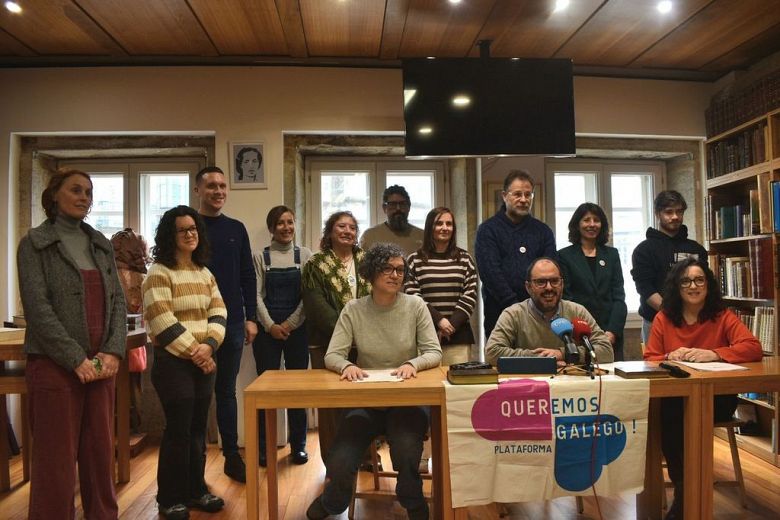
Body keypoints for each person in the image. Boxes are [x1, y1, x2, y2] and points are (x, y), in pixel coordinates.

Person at [17, 168, 127, 520]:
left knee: (99, 457)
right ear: (54, 195)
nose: (84, 197)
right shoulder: (35, 244)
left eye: (88, 192)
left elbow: (118, 301)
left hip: (101, 366)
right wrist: (74, 358)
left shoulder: (100, 244)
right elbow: (38, 309)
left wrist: (113, 351)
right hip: (54, 367)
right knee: (55, 463)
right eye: (76, 190)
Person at [306, 243, 442, 520]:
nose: (395, 275)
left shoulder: (415, 306)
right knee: (341, 458)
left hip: (406, 401)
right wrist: (347, 366)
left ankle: (412, 499)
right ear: (371, 272)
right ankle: (334, 501)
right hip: (366, 401)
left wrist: (412, 364)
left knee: (407, 451)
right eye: (387, 269)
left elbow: (434, 352)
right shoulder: (353, 309)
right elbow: (333, 355)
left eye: (400, 270)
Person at [643, 258, 762, 520]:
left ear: (708, 285)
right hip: (676, 399)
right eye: (686, 281)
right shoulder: (664, 317)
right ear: (677, 286)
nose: (693, 286)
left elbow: (753, 347)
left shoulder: (722, 315)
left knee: (675, 414)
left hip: (716, 398)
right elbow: (650, 358)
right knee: (673, 411)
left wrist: (715, 354)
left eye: (699, 280)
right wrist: (669, 356)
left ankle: (685, 495)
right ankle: (686, 490)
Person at [143, 205, 227, 520]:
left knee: (197, 430)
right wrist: (198, 352)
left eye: (193, 229)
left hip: (202, 359)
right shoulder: (159, 272)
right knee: (178, 430)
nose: (190, 234)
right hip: (173, 363)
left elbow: (219, 312)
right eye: (182, 230)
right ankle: (169, 498)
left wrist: (209, 346)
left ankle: (196, 490)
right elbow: (162, 320)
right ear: (170, 235)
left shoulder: (204, 272)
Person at [194, 166, 258, 482]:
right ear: (198, 190)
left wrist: (250, 317)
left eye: (222, 186)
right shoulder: (189, 227)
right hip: (195, 324)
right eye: (211, 186)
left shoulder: (236, 228)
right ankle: (195, 464)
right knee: (196, 395)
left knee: (226, 392)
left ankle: (232, 456)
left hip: (232, 322)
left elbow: (247, 274)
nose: (218, 191)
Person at [302, 211, 371, 464]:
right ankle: (333, 462)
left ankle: (366, 457)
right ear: (330, 231)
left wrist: (364, 336)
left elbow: (378, 300)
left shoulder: (367, 262)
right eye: (341, 226)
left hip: (366, 345)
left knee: (363, 402)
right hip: (326, 344)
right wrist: (348, 335)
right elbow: (315, 306)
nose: (347, 231)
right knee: (331, 405)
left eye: (352, 227)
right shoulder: (315, 264)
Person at [252, 205, 312, 466]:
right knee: (265, 390)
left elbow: (309, 296)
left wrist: (289, 323)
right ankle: (264, 448)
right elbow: (255, 295)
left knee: (298, 389)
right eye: (280, 223)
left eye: (290, 222)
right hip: (267, 332)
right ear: (271, 228)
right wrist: (270, 326)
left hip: (298, 330)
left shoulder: (305, 255)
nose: (286, 227)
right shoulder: (260, 257)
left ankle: (299, 446)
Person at [485, 257, 613, 366]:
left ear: (562, 284)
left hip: (570, 384)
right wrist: (543, 359)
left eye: (554, 281)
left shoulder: (577, 311)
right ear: (528, 287)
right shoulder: (513, 314)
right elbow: (492, 353)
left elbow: (606, 351)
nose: (549, 287)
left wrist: (563, 354)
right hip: (529, 384)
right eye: (541, 282)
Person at [475, 169, 556, 338]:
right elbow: (490, 273)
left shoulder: (543, 231)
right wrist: (516, 308)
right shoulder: (488, 230)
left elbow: (550, 270)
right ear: (505, 196)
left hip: (539, 314)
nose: (524, 199)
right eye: (518, 194)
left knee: (540, 354)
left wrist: (533, 307)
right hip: (500, 314)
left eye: (528, 195)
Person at [631, 190, 708, 344]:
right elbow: (645, 288)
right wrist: (671, 314)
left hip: (694, 322)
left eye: (679, 211)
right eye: (669, 212)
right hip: (655, 321)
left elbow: (704, 283)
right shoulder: (643, 250)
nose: (675, 216)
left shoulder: (697, 249)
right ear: (657, 214)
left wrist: (690, 316)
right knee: (656, 360)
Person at [405, 206, 478, 365]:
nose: (445, 228)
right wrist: (439, 321)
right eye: (439, 223)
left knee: (458, 381)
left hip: (458, 336)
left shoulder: (465, 259)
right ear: (429, 227)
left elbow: (470, 295)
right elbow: (413, 296)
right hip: (424, 335)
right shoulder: (414, 260)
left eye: (449, 224)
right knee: (427, 381)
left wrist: (450, 326)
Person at [558, 203, 627, 360]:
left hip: (610, 333)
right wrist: (582, 330)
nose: (592, 224)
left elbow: (619, 297)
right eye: (586, 220)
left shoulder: (612, 254)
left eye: (596, 220)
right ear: (577, 224)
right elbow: (567, 298)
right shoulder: (564, 256)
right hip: (579, 333)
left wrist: (612, 332)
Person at [360, 184, 424, 255]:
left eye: (402, 204)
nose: (398, 208)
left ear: (409, 207)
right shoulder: (370, 236)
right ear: (384, 208)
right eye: (393, 204)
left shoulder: (423, 236)